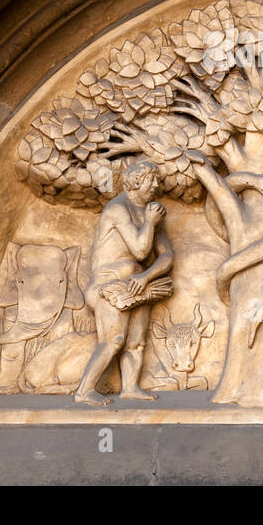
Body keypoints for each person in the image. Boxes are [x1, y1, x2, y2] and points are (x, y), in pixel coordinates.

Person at [73, 159, 173, 406]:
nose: (156, 185)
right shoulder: (118, 209)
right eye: (152, 179)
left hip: (140, 286)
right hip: (110, 286)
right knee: (113, 340)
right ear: (136, 181)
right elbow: (140, 251)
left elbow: (167, 256)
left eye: (157, 180)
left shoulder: (150, 212)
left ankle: (130, 387)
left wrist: (145, 277)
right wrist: (149, 222)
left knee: (136, 342)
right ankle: (84, 391)